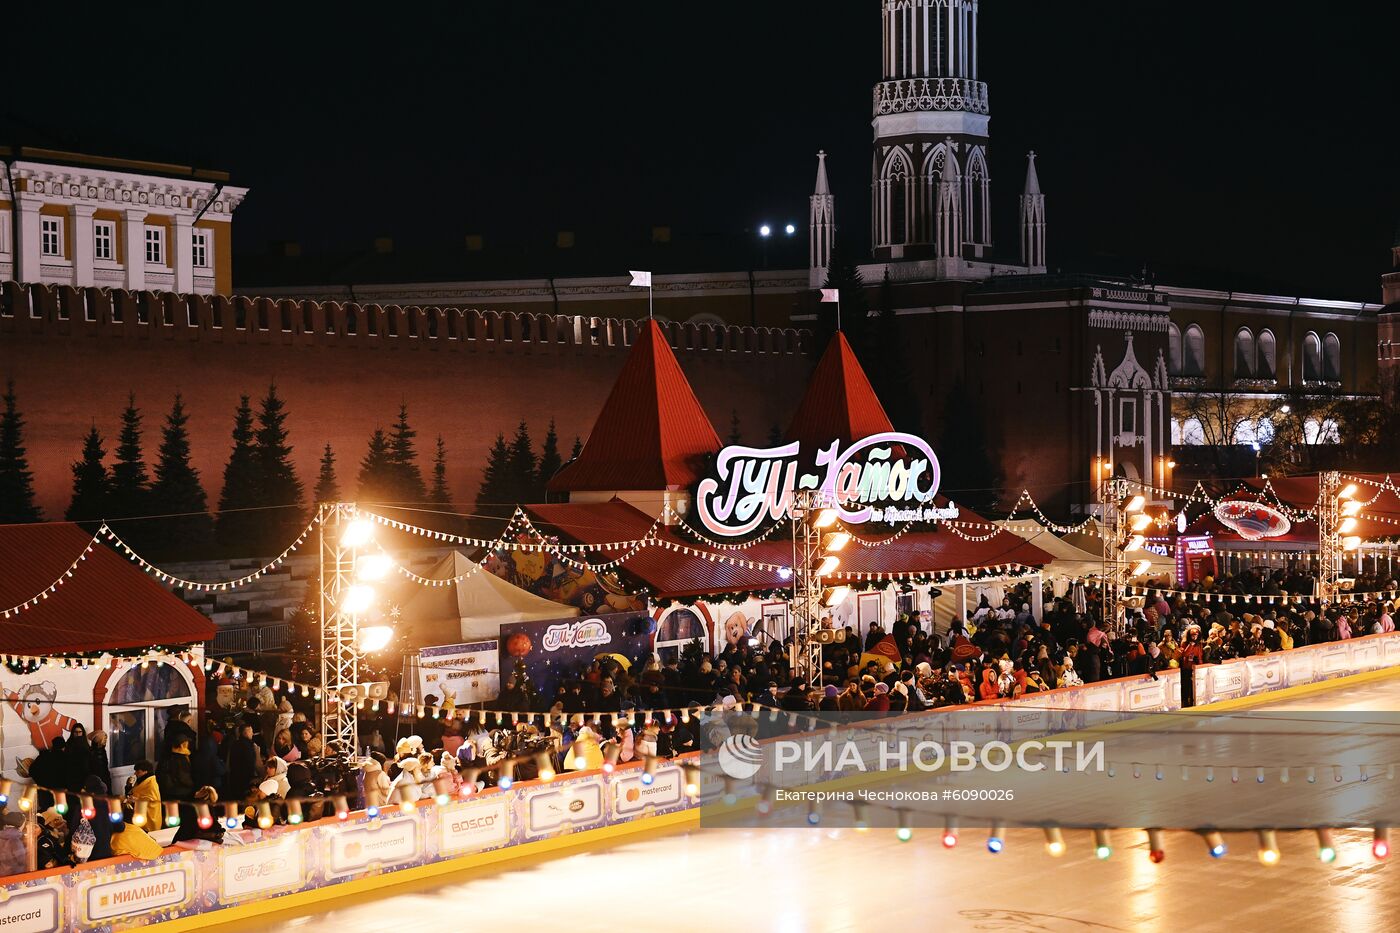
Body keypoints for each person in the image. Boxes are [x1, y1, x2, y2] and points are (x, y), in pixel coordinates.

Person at [225, 723, 262, 803]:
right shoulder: (252, 746)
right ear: (245, 733)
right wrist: (262, 776)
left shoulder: (233, 744)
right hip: (247, 780)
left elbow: (228, 764)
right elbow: (256, 765)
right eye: (251, 731)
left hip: (234, 779)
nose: (252, 733)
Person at [158, 737, 195, 804]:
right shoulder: (181, 758)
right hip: (179, 790)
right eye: (186, 743)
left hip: (168, 790)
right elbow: (183, 776)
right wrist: (193, 785)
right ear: (182, 745)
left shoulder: (168, 756)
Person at [127, 759, 162, 829]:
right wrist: (128, 786)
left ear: (145, 771)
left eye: (138, 771)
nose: (135, 773)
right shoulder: (142, 781)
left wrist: (136, 800)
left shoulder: (151, 783)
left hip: (148, 819)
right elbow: (132, 793)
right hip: (139, 816)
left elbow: (152, 801)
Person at [88, 731, 112, 796]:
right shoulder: (93, 752)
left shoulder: (103, 751)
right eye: (104, 739)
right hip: (97, 779)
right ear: (98, 740)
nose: (105, 741)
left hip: (105, 778)